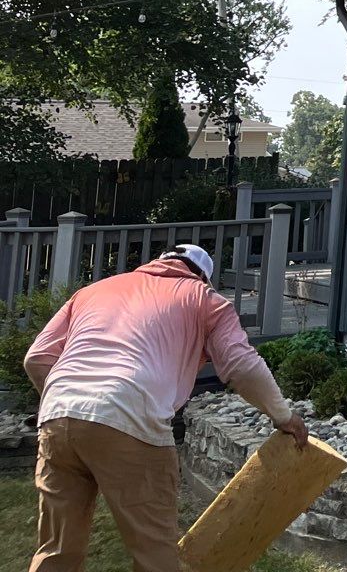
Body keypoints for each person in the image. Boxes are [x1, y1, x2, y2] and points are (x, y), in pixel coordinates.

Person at [24, 244, 309, 572]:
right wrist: (284, 416)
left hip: (58, 413)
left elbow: (38, 358)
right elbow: (241, 365)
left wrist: (73, 405)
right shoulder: (204, 298)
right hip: (130, 412)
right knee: (154, 553)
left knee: (57, 550)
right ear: (202, 276)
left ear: (157, 262)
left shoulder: (94, 290)